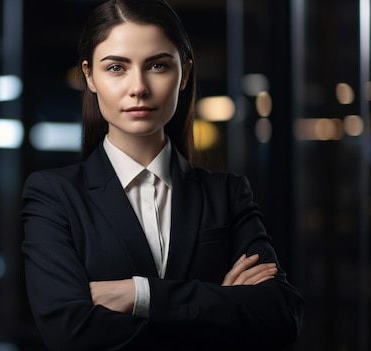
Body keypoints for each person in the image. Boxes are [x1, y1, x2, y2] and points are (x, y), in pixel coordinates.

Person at [20, 0, 304, 349]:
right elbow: (71, 334)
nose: (138, 87)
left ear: (184, 72)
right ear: (89, 77)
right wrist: (217, 306)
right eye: (116, 68)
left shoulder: (226, 194)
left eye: (156, 65)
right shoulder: (55, 195)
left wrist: (139, 294)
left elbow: (280, 317)